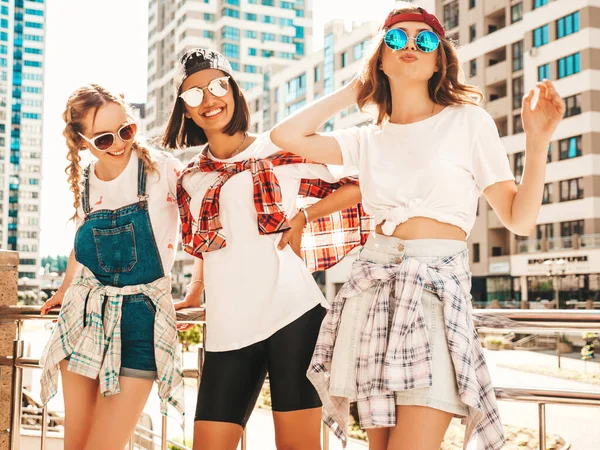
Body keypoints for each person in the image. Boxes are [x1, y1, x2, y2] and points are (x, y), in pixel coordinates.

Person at [270, 3, 565, 449]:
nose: (410, 45)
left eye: (424, 40)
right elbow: (285, 137)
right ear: (380, 59)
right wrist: (355, 91)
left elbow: (519, 219)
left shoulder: (468, 121)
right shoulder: (368, 137)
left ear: (438, 59)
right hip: (374, 288)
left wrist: (538, 141)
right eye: (396, 39)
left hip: (434, 289)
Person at [162, 48, 368, 450]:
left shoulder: (277, 150)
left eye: (218, 85)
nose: (209, 99)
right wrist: (192, 293)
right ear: (185, 111)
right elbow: (206, 247)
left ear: (235, 93)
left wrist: (307, 216)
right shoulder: (190, 178)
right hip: (227, 328)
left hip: (293, 315)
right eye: (193, 94)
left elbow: (360, 186)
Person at [39, 84, 185, 450]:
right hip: (85, 316)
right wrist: (63, 288)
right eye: (104, 139)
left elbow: (203, 225)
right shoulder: (87, 180)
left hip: (141, 320)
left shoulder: (162, 169)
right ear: (81, 140)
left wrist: (196, 290)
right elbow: (81, 243)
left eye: (126, 130)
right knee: (74, 444)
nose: (119, 143)